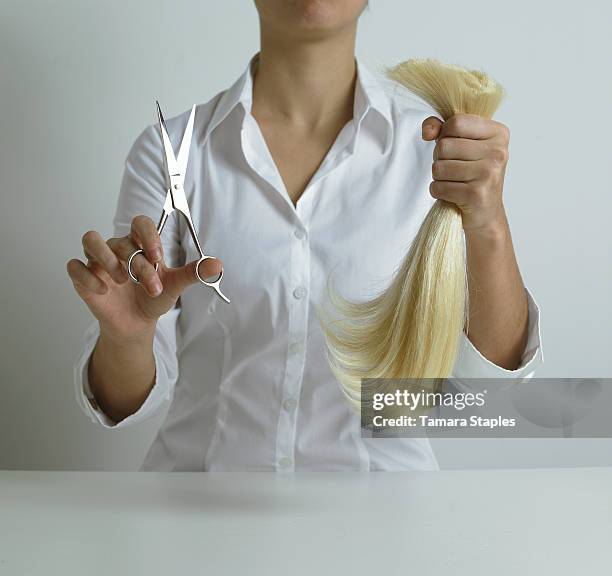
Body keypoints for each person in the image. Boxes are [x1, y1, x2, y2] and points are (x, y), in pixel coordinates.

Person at [66, 0, 542, 471]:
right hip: (202, 517)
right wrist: (128, 337)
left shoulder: (435, 155)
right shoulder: (171, 153)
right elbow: (121, 401)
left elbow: (489, 391)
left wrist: (489, 222)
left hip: (387, 522)